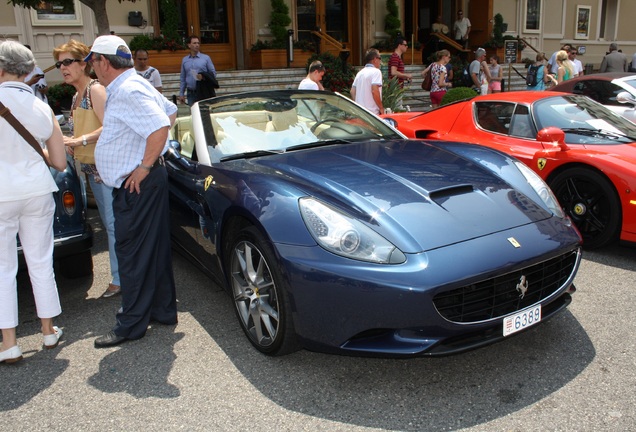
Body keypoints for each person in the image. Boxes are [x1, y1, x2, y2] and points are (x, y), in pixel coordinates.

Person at [84, 35, 178, 348]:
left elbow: (160, 125)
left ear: (103, 62)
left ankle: (130, 325)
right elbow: (171, 110)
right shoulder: (134, 83)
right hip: (144, 181)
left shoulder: (128, 89)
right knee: (151, 248)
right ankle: (161, 310)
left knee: (132, 254)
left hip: (137, 182)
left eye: (92, 60)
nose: (91, 66)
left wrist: (144, 165)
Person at [0, 40, 67, 364]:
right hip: (38, 191)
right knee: (40, 261)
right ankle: (49, 330)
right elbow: (59, 162)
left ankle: (9, 343)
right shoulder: (42, 106)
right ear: (28, 71)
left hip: (1, 194)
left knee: (2, 268)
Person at [53, 39, 120, 299]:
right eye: (60, 63)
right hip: (91, 169)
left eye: (68, 62)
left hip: (104, 169)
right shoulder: (76, 95)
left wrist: (79, 140)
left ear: (84, 64)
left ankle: (120, 279)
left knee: (113, 225)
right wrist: (73, 143)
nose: (63, 68)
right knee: (110, 223)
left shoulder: (96, 90)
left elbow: (109, 127)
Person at [178, 35, 216, 106]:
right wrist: (181, 94)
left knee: (204, 113)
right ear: (189, 45)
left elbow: (213, 73)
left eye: (198, 43)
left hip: (203, 91)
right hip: (191, 92)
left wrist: (203, 77)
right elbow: (183, 78)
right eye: (194, 43)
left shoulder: (206, 58)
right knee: (193, 113)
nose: (197, 45)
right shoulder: (185, 60)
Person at [350, 48, 383, 115]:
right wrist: (381, 108)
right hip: (372, 114)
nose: (380, 62)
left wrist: (358, 104)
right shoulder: (376, 72)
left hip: (360, 113)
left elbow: (352, 92)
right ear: (375, 59)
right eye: (380, 58)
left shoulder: (360, 73)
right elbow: (375, 91)